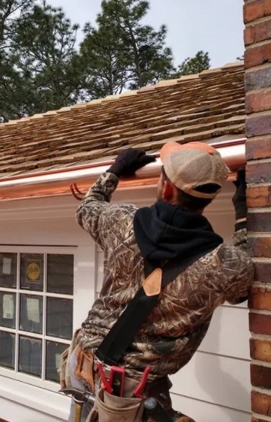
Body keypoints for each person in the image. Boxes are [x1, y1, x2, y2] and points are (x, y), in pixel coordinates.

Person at [61, 142, 253, 422]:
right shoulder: (226, 265)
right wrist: (243, 213)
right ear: (209, 196)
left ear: (166, 188)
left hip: (86, 368)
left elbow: (88, 208)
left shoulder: (120, 222)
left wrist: (115, 170)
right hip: (132, 395)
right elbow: (243, 287)